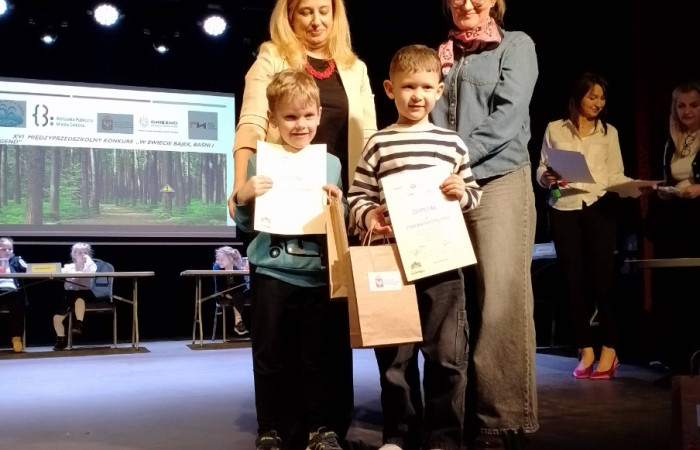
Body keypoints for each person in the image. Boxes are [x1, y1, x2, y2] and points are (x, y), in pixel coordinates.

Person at [227, 1, 377, 446]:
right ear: (289, 15)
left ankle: (324, 427)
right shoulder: (273, 56)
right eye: (305, 11)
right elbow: (251, 122)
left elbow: (368, 136)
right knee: (274, 347)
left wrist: (358, 205)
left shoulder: (354, 68)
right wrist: (241, 189)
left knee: (324, 346)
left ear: (336, 14)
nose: (316, 20)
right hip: (276, 233)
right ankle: (278, 429)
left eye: (324, 10)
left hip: (331, 220)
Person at [348, 44, 482, 450]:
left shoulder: (451, 143)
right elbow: (357, 197)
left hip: (443, 263)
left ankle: (443, 438)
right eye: (408, 87)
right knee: (395, 359)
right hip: (392, 263)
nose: (417, 96)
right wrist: (370, 216)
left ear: (439, 90)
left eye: (426, 87)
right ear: (390, 89)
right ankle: (400, 435)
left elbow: (473, 194)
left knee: (447, 358)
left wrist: (461, 192)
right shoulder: (378, 143)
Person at [430, 0, 539, 446]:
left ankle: (502, 420)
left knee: (500, 303)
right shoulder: (441, 55)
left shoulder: (516, 45)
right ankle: (456, 419)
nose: (467, 3)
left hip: (498, 181)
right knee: (452, 306)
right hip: (445, 187)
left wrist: (457, 156)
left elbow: (509, 116)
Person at [234, 69, 347, 450]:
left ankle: (320, 429)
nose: (301, 124)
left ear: (319, 114)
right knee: (270, 357)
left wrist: (339, 206)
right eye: (290, 116)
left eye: (308, 115)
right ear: (272, 118)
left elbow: (338, 224)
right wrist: (243, 196)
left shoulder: (330, 164)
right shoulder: (260, 162)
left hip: (316, 276)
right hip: (272, 274)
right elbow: (247, 225)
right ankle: (269, 430)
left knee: (317, 358)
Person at [537, 72, 641, 381]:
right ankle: (585, 349)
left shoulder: (609, 132)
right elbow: (542, 167)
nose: (598, 103)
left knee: (602, 279)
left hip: (598, 207)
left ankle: (609, 347)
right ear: (578, 97)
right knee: (572, 281)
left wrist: (636, 186)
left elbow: (615, 174)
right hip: (564, 207)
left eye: (602, 98)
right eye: (592, 96)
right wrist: (545, 177)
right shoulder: (555, 128)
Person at [647, 80, 700, 376]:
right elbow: (668, 177)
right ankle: (678, 364)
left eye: (693, 105)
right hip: (676, 222)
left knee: (695, 290)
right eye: (681, 106)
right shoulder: (670, 142)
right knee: (675, 292)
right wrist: (663, 191)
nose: (687, 111)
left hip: (697, 223)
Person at [53, 242, 97, 351]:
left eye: (85, 252)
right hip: (70, 295)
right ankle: (61, 340)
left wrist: (88, 260)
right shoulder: (68, 267)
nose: (82, 254)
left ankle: (78, 324)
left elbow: (91, 271)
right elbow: (58, 272)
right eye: (79, 252)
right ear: (74, 254)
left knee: (79, 300)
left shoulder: (91, 265)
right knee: (57, 318)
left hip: (85, 293)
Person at [0, 237, 28, 353]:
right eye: (3, 249)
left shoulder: (16, 260)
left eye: (9, 249)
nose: (7, 251)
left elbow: (28, 270)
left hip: (12, 291)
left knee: (18, 307)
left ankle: (16, 339)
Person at [213, 246, 249, 336]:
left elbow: (241, 285)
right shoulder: (217, 267)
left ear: (230, 259)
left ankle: (239, 323)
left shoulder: (237, 267)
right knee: (237, 296)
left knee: (239, 294)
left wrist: (244, 271)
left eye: (222, 259)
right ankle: (238, 322)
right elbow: (219, 285)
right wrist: (226, 293)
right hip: (222, 294)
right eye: (218, 259)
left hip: (237, 293)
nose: (219, 261)